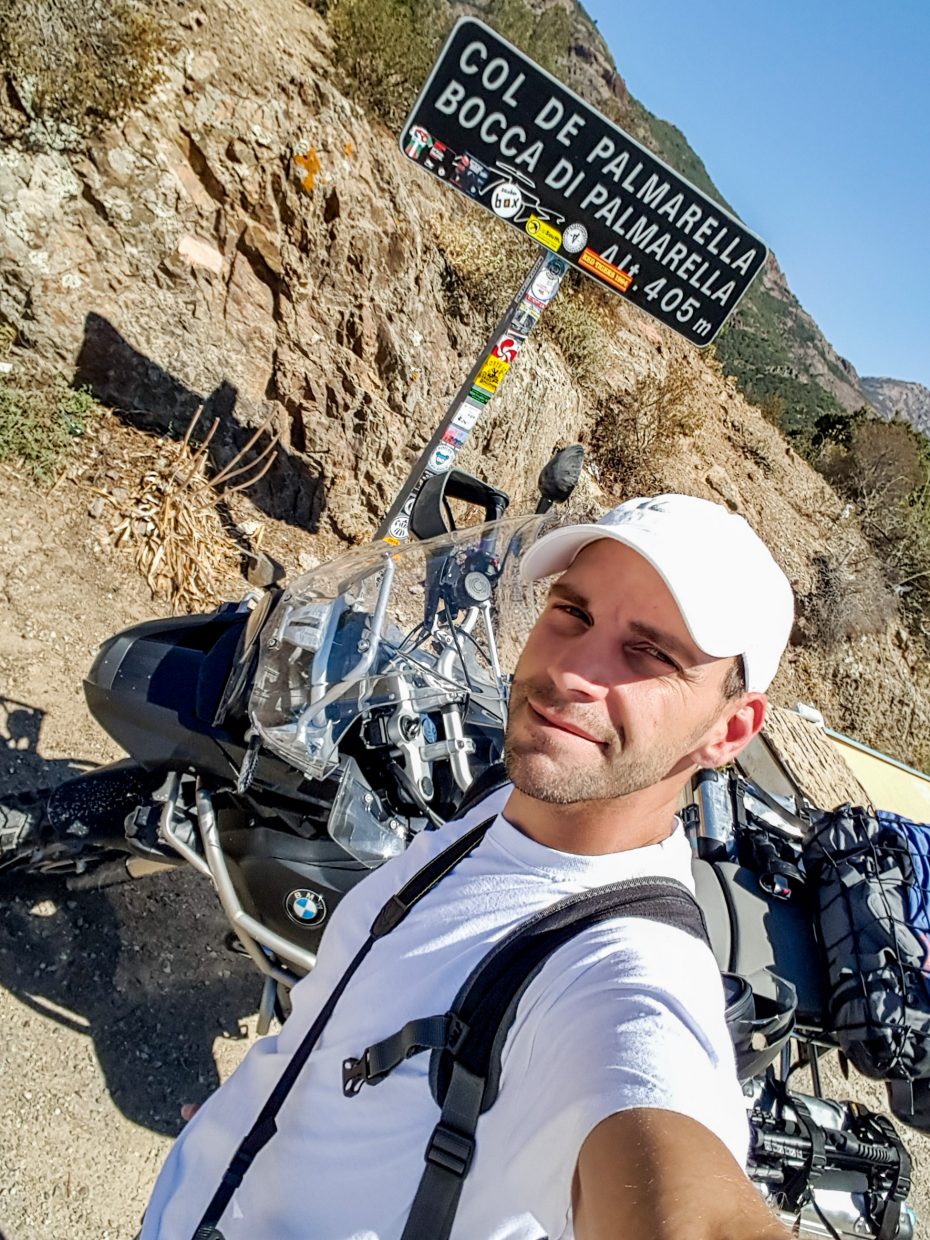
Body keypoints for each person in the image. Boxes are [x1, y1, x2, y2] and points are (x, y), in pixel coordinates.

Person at [142, 493, 796, 1240]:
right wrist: (253, 1125)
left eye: (650, 654)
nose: (572, 670)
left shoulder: (622, 976)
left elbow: (684, 1196)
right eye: (573, 613)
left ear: (729, 730)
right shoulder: (509, 802)